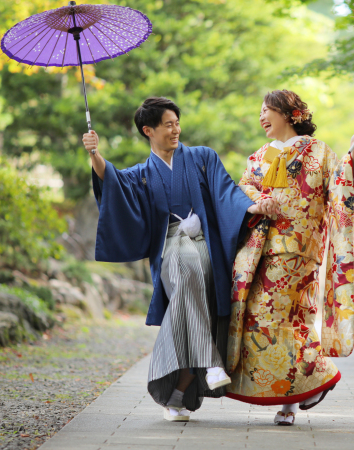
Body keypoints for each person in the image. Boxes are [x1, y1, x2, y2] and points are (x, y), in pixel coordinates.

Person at [82, 97, 276, 422]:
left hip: (204, 242)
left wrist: (252, 207)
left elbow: (225, 189)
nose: (176, 130)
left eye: (177, 123)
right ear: (149, 130)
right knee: (185, 270)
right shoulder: (142, 173)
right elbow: (111, 180)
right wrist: (94, 153)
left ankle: (175, 395)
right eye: (168, 125)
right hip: (169, 243)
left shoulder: (201, 158)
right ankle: (211, 364)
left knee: (189, 295)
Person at [225, 89, 354, 426]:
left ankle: (309, 385)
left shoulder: (319, 152)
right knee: (261, 321)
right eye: (259, 112)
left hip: (300, 251)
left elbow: (340, 187)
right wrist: (258, 202)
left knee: (285, 320)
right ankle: (301, 391)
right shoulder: (259, 156)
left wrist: (352, 151)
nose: (261, 117)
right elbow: (242, 188)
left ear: (289, 114)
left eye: (267, 110)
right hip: (260, 250)